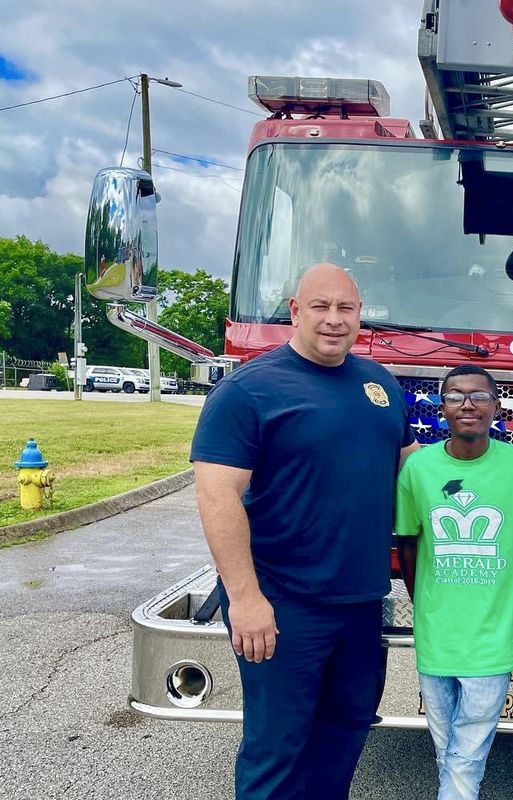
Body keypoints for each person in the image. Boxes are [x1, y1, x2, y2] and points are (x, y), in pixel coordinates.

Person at [190, 263, 418, 800]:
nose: (334, 320)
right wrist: (245, 599)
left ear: (360, 315)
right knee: (278, 748)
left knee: (345, 730)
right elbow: (216, 495)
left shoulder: (379, 384)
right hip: (283, 602)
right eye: (321, 307)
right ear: (295, 311)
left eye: (346, 309)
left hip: (361, 602)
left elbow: (413, 472)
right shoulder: (249, 391)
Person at [394, 364, 513, 800]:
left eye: (480, 396)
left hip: (492, 634)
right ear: (441, 407)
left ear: (496, 407)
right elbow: (407, 541)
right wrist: (420, 601)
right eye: (456, 396)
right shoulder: (419, 469)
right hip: (437, 635)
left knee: (466, 754)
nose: (468, 404)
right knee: (447, 747)